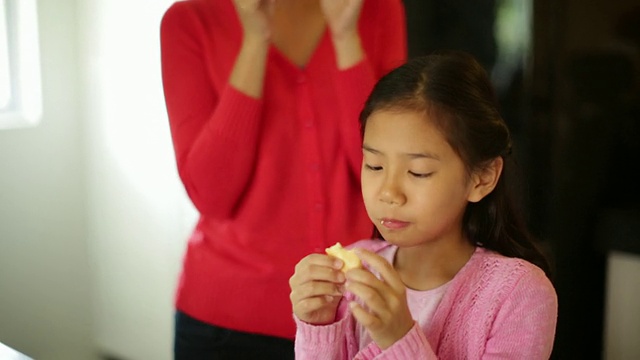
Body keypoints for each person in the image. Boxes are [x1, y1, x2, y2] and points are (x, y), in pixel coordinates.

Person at [159, 0, 407, 358]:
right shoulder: (188, 21)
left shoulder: (377, 9)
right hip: (224, 328)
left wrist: (345, 35)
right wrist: (255, 40)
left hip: (351, 320)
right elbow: (212, 195)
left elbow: (385, 174)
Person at [289, 50, 558, 359]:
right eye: (374, 166)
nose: (389, 193)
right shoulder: (351, 271)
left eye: (418, 172)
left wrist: (399, 339)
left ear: (481, 178)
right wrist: (318, 324)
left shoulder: (519, 294)